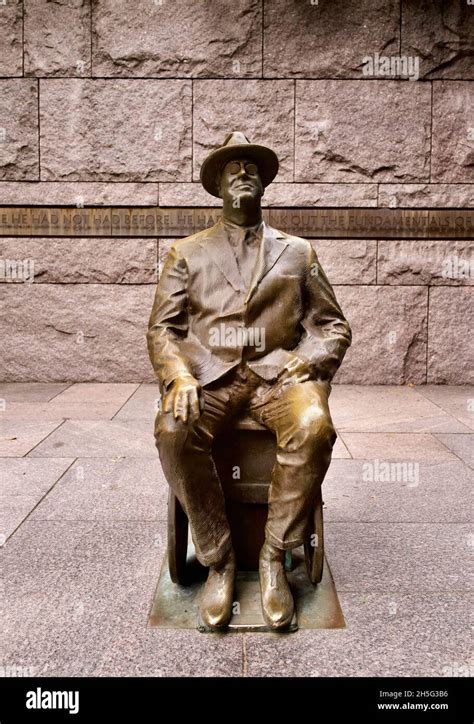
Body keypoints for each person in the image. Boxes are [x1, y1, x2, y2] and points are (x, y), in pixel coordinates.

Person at [147, 131, 351, 630]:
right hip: (209, 378)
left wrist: (312, 359)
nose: (242, 173)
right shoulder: (186, 252)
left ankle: (273, 557)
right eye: (231, 168)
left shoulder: (298, 252)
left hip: (276, 376)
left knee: (314, 425)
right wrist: (177, 376)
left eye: (251, 167)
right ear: (217, 186)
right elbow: (162, 329)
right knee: (172, 430)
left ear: (264, 184)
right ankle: (218, 559)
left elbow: (333, 326)